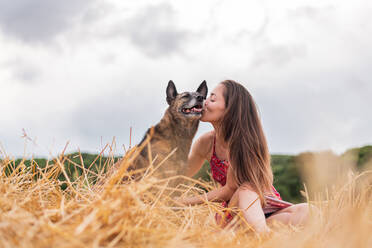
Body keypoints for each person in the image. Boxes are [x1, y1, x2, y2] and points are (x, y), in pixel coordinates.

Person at [177, 80, 309, 233]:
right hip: (235, 212)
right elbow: (179, 175)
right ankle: (262, 235)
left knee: (308, 211)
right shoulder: (205, 143)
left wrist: (184, 202)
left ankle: (258, 235)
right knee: (246, 189)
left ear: (230, 110)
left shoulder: (242, 142)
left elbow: (228, 189)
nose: (205, 102)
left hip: (265, 207)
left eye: (212, 99)